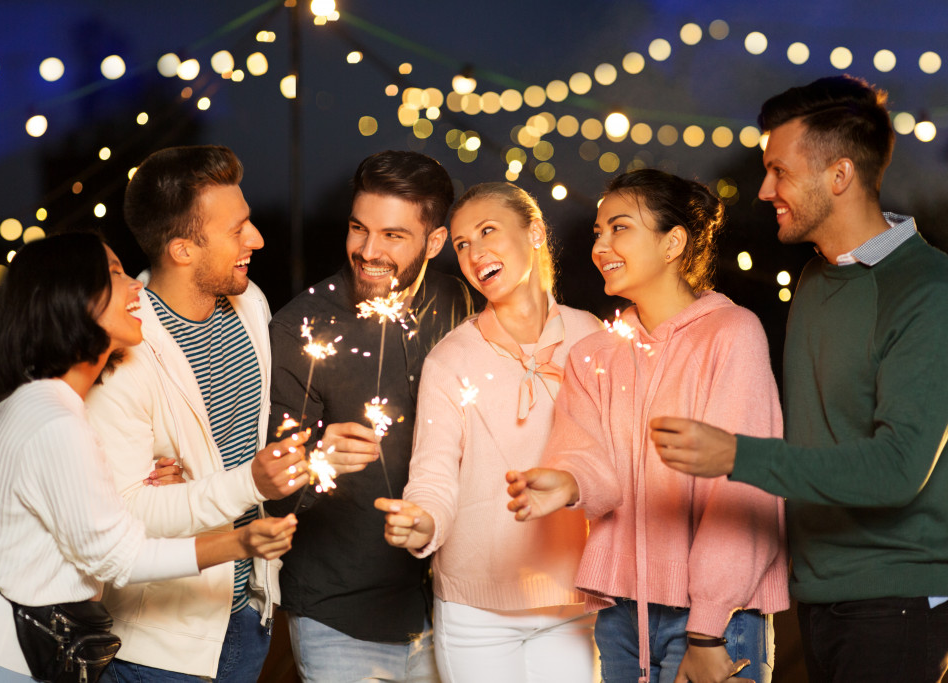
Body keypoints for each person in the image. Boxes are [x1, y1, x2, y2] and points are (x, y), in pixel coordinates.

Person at [650, 75, 948, 683]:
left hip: (897, 600)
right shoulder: (815, 282)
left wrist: (735, 455)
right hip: (818, 592)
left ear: (839, 176)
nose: (764, 190)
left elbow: (898, 467)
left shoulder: (928, 291)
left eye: (779, 172)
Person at [0, 233, 297, 682]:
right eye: (116, 274)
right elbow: (119, 559)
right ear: (74, 300)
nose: (136, 286)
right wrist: (239, 542)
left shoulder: (18, 402)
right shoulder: (57, 422)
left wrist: (128, 488)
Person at [506, 169, 789, 683]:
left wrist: (706, 630)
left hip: (718, 620)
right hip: (620, 616)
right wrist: (566, 482)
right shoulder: (595, 353)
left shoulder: (731, 334)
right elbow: (586, 458)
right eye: (597, 231)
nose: (601, 245)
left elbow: (744, 488)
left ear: (673, 242)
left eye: (619, 228)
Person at [85, 145, 319, 682]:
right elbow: (121, 518)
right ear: (182, 249)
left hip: (247, 613)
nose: (256, 239)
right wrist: (249, 481)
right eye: (237, 230)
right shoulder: (125, 349)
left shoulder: (251, 304)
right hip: (159, 642)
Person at [374, 182, 602, 682]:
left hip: (575, 601)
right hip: (475, 611)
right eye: (461, 244)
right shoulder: (450, 359)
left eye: (487, 232)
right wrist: (424, 521)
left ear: (535, 232)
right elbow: (434, 473)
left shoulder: (595, 340)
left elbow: (617, 462)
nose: (475, 253)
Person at [265, 150, 476, 682]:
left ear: (434, 241)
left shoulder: (459, 304)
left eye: (393, 236)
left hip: (453, 611)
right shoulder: (299, 329)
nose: (368, 250)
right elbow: (269, 488)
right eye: (359, 229)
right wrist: (318, 462)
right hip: (342, 618)